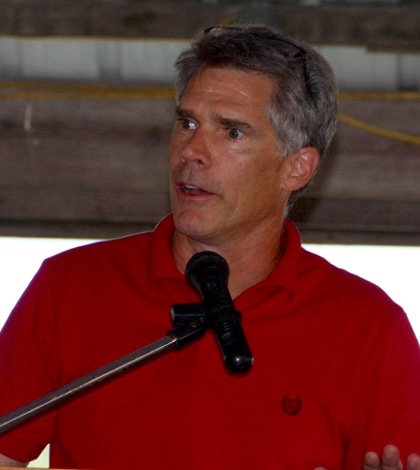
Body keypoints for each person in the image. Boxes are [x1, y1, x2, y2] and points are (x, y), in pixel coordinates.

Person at [0, 24, 419, 470]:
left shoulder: (368, 328)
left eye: (231, 132)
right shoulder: (70, 287)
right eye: (187, 122)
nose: (192, 150)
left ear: (297, 168)